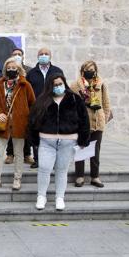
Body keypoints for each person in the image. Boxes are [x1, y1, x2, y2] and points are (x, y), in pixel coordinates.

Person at [29, 74, 89, 211]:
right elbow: (33, 119)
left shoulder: (74, 99)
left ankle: (59, 197)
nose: (58, 87)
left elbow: (84, 120)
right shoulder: (43, 100)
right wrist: (34, 140)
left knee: (62, 170)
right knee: (44, 168)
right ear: (50, 86)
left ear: (64, 83)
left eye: (60, 84)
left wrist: (83, 141)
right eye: (55, 85)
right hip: (46, 140)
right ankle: (41, 196)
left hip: (68, 141)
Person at [0, 58, 35, 191]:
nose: (11, 70)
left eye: (14, 68)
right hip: (3, 123)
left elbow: (32, 103)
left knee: (19, 153)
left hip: (20, 123)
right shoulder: (0, 84)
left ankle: (17, 178)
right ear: (5, 69)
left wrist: (27, 118)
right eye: (9, 67)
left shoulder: (25, 85)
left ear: (19, 69)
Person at [70, 61, 111, 188]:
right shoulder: (75, 86)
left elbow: (106, 103)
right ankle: (79, 176)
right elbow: (71, 104)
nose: (90, 71)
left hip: (97, 122)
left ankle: (95, 177)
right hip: (82, 122)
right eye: (87, 69)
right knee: (81, 148)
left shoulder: (101, 84)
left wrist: (104, 117)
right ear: (82, 71)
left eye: (92, 69)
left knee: (95, 151)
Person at [25, 47, 64, 168]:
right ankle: (37, 159)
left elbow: (63, 88)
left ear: (50, 56)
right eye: (41, 54)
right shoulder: (31, 73)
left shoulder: (57, 71)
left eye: (46, 53)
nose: (43, 55)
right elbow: (27, 91)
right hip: (36, 109)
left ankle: (53, 160)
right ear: (37, 56)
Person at [6, 48, 34, 165]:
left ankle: (27, 154)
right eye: (15, 54)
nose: (17, 56)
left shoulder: (29, 70)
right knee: (10, 130)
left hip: (24, 105)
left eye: (19, 54)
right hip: (10, 105)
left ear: (23, 56)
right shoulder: (7, 70)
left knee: (25, 131)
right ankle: (10, 154)